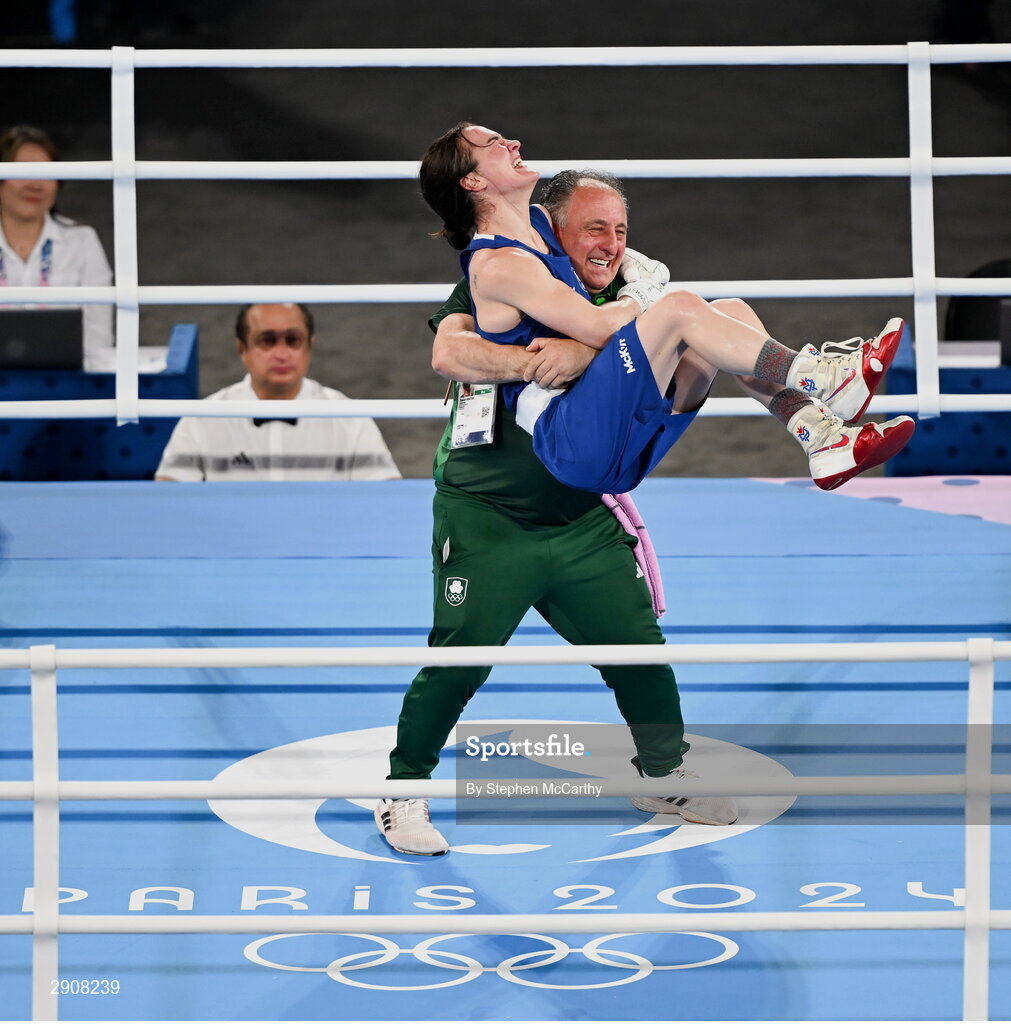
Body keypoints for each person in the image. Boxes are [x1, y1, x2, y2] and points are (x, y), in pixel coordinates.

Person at [375, 170, 730, 857]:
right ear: (553, 230)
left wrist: (583, 349)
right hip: (486, 513)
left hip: (578, 516)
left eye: (618, 231)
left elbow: (670, 337)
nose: (608, 244)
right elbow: (450, 353)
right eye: (593, 229)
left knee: (637, 654)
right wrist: (542, 356)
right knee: (459, 661)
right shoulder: (503, 271)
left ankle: (662, 775)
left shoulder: (632, 286)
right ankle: (401, 791)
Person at [155, 302, 400, 481]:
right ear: (242, 349)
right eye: (267, 340)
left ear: (309, 346)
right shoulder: (202, 418)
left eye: (293, 340)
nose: (282, 354)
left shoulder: (350, 418)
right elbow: (167, 498)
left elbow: (386, 498)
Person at [0, 125, 114, 370]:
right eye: (23, 171)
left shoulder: (82, 241)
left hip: (64, 384)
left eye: (47, 173)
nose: (36, 184)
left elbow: (99, 336)